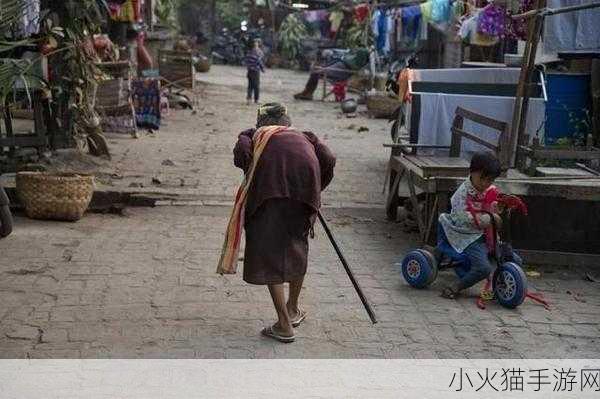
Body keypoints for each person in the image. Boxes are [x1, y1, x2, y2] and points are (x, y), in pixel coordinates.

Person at [230, 103, 336, 343]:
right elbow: (328, 158)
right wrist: (316, 188)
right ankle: (293, 309)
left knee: (269, 255)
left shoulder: (254, 135)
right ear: (287, 122)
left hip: (270, 196)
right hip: (304, 196)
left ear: (261, 123)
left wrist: (257, 169)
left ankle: (284, 325)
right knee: (297, 248)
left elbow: (242, 155)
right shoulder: (304, 136)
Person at [438, 152, 522, 299]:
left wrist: (500, 207)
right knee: (483, 268)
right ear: (472, 172)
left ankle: (500, 283)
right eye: (482, 179)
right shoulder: (462, 193)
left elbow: (492, 205)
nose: (485, 183)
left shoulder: (490, 190)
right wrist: (481, 219)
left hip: (487, 234)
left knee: (514, 259)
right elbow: (460, 217)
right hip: (468, 235)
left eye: (490, 180)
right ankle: (456, 286)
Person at [293, 47, 370, 101]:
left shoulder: (354, 64)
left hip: (338, 72)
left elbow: (341, 69)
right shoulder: (353, 61)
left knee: (315, 73)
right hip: (336, 69)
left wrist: (324, 69)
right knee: (316, 70)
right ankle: (307, 92)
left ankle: (307, 93)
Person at [243, 39, 265, 105]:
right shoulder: (259, 52)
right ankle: (256, 100)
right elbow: (259, 61)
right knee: (256, 86)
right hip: (255, 71)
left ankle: (249, 99)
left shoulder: (249, 52)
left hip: (250, 71)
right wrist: (262, 69)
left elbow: (246, 61)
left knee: (250, 86)